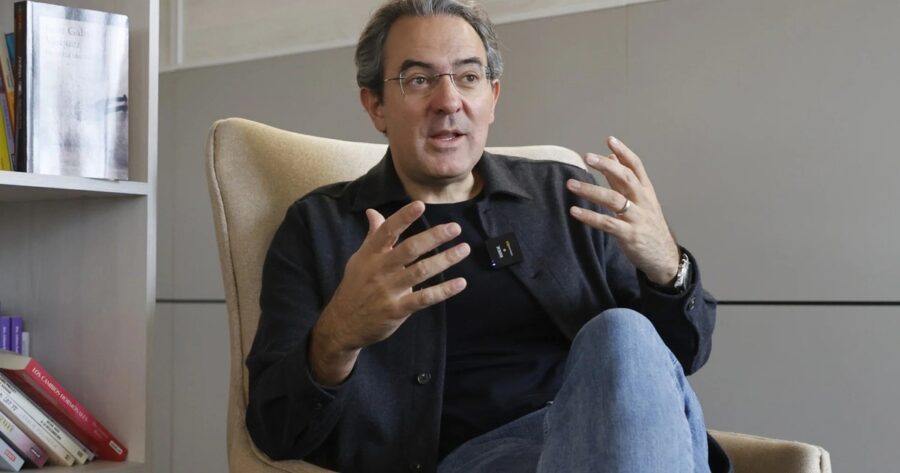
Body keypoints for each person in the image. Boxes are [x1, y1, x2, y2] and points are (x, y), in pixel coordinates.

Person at [245, 1, 731, 472]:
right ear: (376, 105)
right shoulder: (320, 227)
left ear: (492, 97)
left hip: (612, 434)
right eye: (419, 80)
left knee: (622, 332)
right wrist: (339, 334)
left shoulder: (565, 195)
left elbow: (680, 359)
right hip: (483, 457)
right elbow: (274, 431)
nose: (448, 101)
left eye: (468, 77)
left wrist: (666, 268)